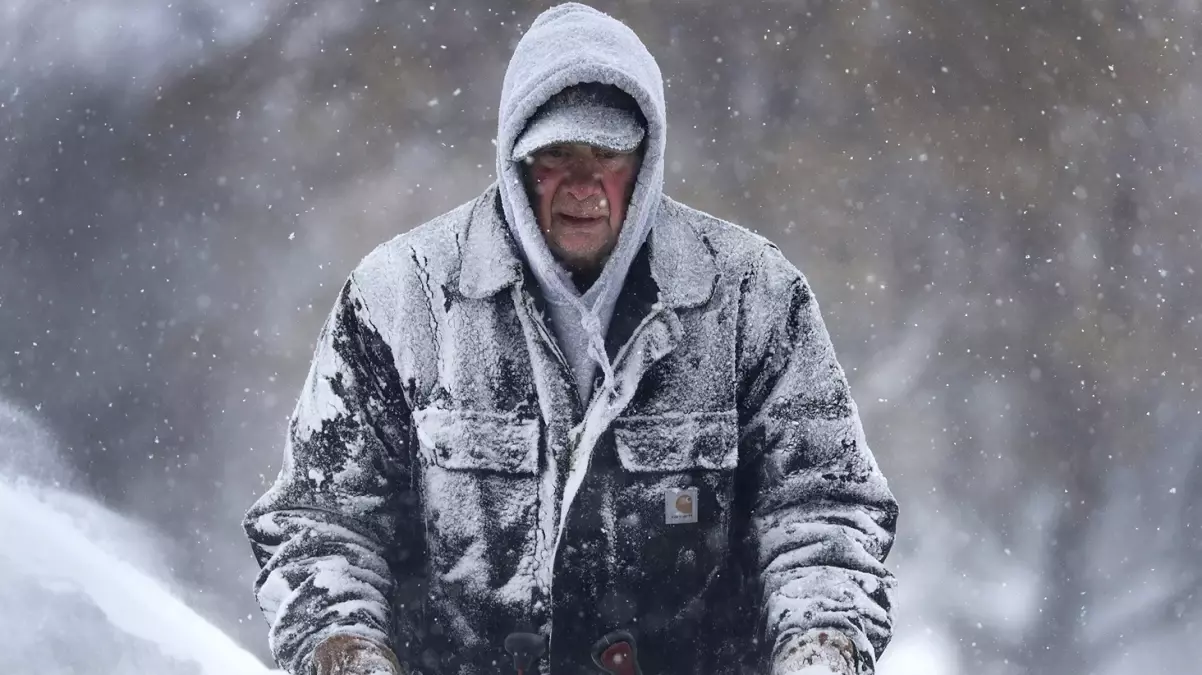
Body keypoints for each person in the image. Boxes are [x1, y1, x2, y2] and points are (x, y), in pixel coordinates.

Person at [243, 4, 898, 675]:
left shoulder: (755, 296)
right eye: (557, 154)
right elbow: (321, 522)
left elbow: (824, 510)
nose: (583, 185)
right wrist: (347, 653)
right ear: (516, 156)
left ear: (646, 158)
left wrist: (822, 650)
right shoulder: (398, 297)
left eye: (607, 153)